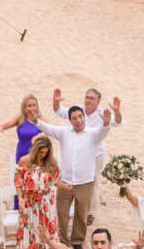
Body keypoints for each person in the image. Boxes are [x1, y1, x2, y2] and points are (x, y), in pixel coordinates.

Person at [35, 104, 112, 248]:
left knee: (81, 215)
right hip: (65, 182)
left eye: (80, 117)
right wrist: (36, 121)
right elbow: (48, 128)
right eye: (74, 118)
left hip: (85, 182)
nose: (78, 120)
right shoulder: (64, 132)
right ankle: (63, 241)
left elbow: (103, 132)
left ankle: (77, 241)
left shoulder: (93, 134)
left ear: (84, 117)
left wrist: (106, 122)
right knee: (62, 214)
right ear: (70, 120)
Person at [52, 89, 124, 226]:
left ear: (98, 101)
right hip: (77, 154)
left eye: (91, 98)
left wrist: (117, 111)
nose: (88, 100)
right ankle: (75, 209)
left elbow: (118, 122)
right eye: (86, 97)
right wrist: (56, 102)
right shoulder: (78, 110)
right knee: (73, 182)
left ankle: (89, 213)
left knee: (93, 185)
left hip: (96, 155)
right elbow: (59, 111)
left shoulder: (103, 113)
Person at [14, 135, 70, 249]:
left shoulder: (51, 162)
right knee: (29, 227)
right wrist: (20, 197)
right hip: (30, 200)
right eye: (41, 152)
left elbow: (56, 181)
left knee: (46, 227)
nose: (43, 155)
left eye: (46, 152)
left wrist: (65, 186)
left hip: (46, 201)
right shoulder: (24, 161)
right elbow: (18, 182)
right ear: (35, 150)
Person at [0, 93, 44, 168]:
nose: (32, 108)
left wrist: (40, 135)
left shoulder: (40, 118)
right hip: (22, 152)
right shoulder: (20, 118)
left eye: (34, 105)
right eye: (29, 105)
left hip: (36, 153)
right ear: (25, 107)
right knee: (21, 177)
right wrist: (2, 127)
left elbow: (48, 132)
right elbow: (6, 125)